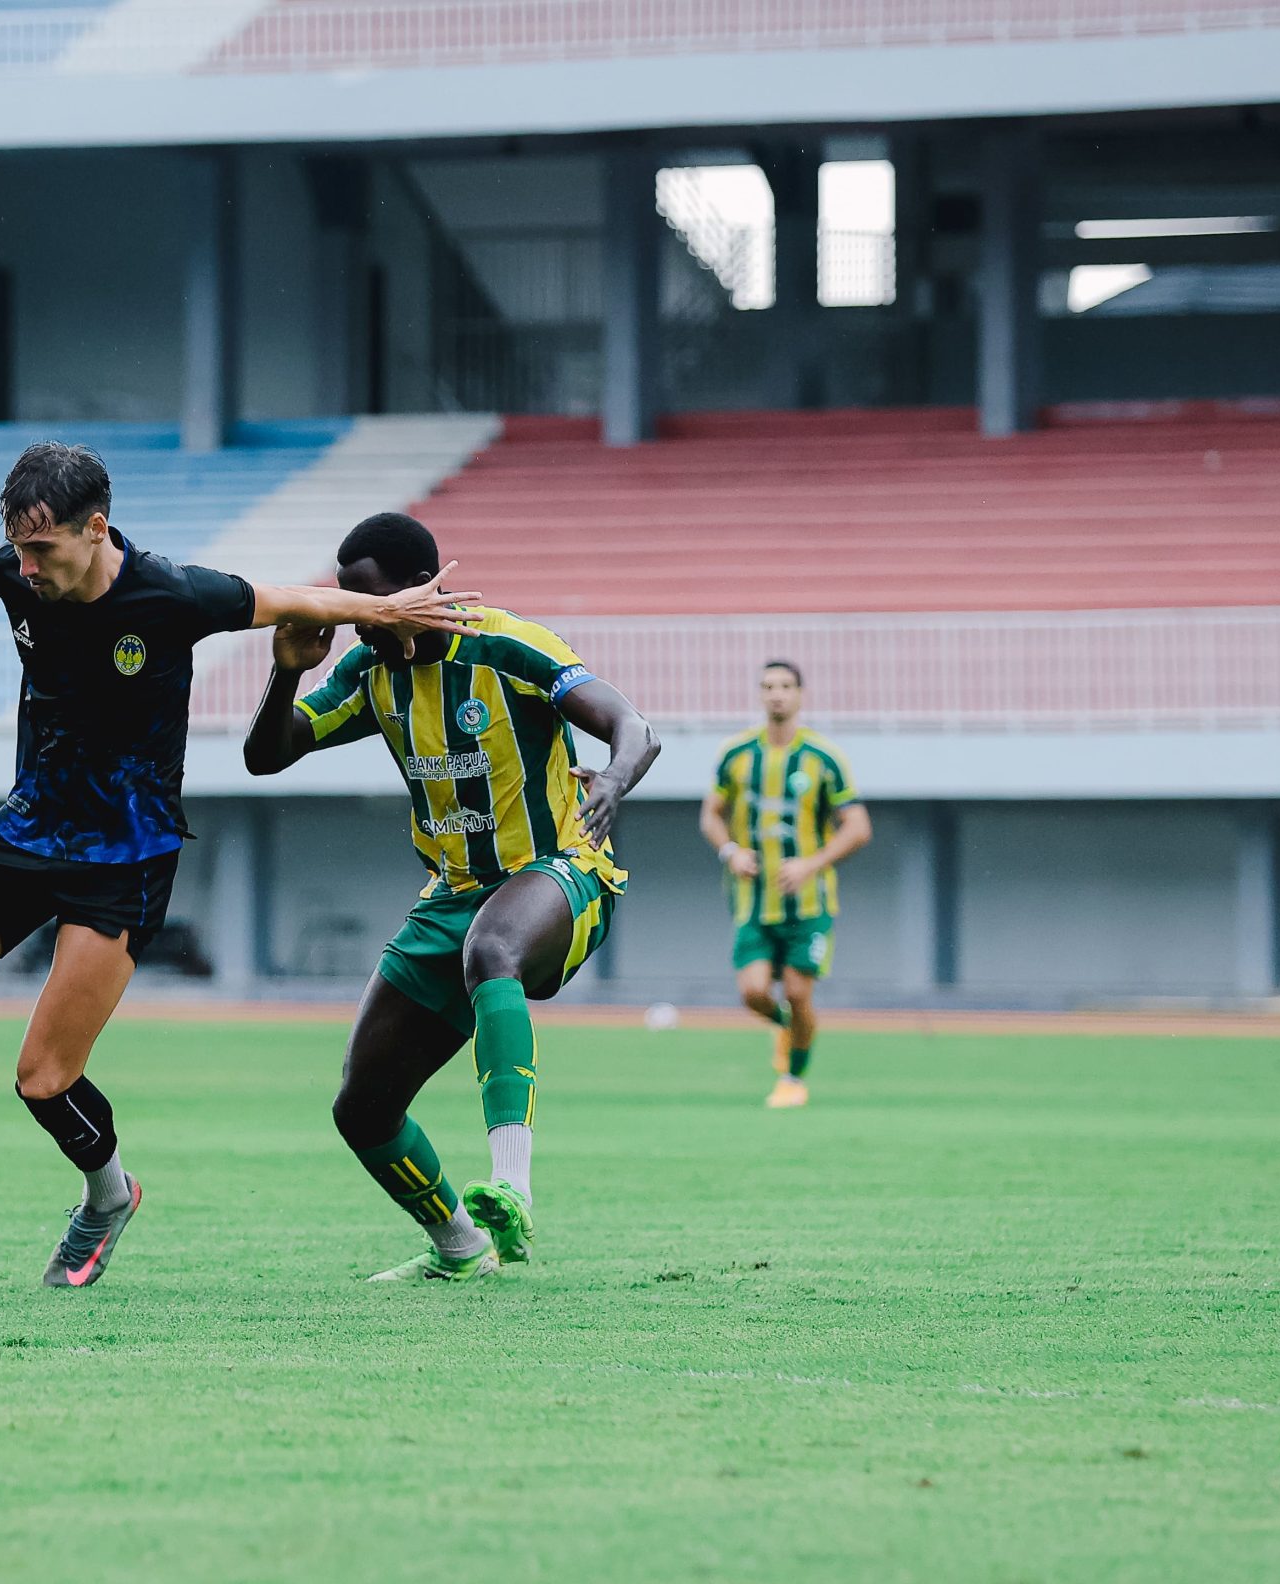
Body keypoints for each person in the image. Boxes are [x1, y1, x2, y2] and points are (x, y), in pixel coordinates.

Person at [0, 444, 482, 1288]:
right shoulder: (22, 568)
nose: (26, 567)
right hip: (27, 830)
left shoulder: (173, 593)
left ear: (96, 530)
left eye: (43, 550)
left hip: (122, 859)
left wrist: (392, 613)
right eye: (18, 548)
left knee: (44, 1079)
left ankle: (108, 1195)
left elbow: (292, 597)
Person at [243, 512, 659, 1282]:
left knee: (493, 950)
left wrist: (612, 778)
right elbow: (265, 756)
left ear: (419, 588)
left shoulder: (506, 646)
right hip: (452, 893)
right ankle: (461, 1246)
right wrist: (287, 670)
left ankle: (514, 1185)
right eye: (352, 604)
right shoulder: (370, 671)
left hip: (561, 870)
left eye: (372, 600)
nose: (363, 619)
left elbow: (633, 726)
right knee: (361, 1108)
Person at [698, 660, 870, 1109]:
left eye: (786, 686)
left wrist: (811, 864)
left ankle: (793, 1078)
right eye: (768, 686)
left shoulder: (823, 757)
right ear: (760, 694)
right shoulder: (736, 755)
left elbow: (857, 827)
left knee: (797, 991)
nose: (777, 694)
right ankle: (785, 1028)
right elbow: (711, 814)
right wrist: (731, 851)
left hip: (809, 903)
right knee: (753, 992)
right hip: (753, 902)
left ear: (800, 694)